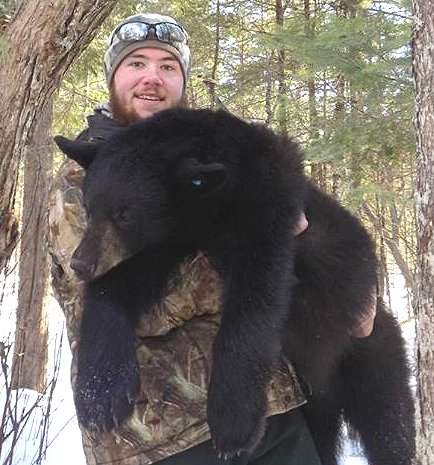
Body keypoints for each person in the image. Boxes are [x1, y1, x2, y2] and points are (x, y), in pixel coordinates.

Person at [48, 13, 375, 465]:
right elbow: (105, 292)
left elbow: (312, 225)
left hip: (274, 414)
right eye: (136, 63)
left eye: (168, 66)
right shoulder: (80, 178)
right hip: (159, 437)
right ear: (112, 76)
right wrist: (277, 267)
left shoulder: (219, 153)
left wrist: (345, 284)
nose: (152, 78)